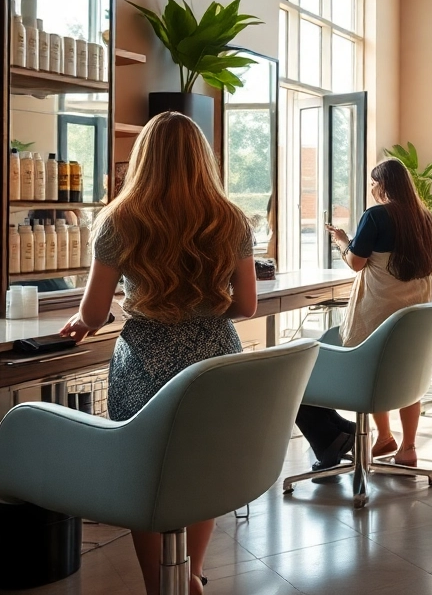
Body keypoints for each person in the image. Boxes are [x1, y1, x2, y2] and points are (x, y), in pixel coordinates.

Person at [60, 112, 257, 595]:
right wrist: (201, 307)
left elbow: (94, 309)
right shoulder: (230, 219)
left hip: (145, 362)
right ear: (201, 159)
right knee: (202, 469)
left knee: (144, 477)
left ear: (144, 159)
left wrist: (83, 325)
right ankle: (189, 573)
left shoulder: (120, 220)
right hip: (214, 362)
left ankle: (158, 585)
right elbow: (248, 304)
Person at [297, 159, 432, 470]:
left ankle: (381, 433)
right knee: (407, 377)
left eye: (374, 183)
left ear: (384, 185)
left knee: (370, 374)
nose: (372, 188)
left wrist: (342, 240)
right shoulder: (424, 218)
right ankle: (405, 445)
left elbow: (357, 263)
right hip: (413, 321)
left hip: (380, 319)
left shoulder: (376, 216)